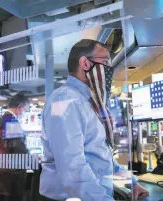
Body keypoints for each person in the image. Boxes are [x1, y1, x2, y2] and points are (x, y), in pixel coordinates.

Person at [40, 39, 149, 201]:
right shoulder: (64, 100)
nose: (108, 69)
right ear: (85, 63)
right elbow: (72, 167)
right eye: (105, 62)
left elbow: (102, 154)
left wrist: (131, 183)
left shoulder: (90, 102)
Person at [0, 93, 30, 201]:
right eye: (25, 110)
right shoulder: (11, 122)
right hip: (11, 177)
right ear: (19, 108)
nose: (24, 113)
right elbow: (19, 152)